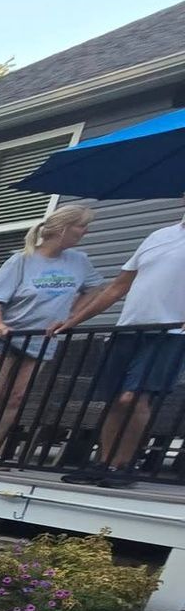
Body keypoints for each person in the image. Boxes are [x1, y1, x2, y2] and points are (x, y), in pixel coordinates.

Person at [50, 197, 185, 486]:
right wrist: (73, 321)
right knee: (114, 399)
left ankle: (124, 465)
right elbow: (117, 287)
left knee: (133, 397)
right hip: (129, 328)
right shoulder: (158, 236)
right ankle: (104, 463)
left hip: (170, 332)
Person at [0, 204, 102, 463]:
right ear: (62, 228)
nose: (85, 232)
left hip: (42, 339)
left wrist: (71, 318)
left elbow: (94, 290)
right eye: (81, 226)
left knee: (15, 398)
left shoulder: (80, 261)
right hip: (7, 336)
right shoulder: (22, 259)